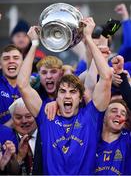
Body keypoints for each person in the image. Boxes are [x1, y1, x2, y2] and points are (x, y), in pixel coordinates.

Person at [17, 17, 112, 174]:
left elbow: (106, 77)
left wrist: (88, 37)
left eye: (73, 91)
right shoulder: (46, 116)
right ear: (57, 97)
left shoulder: (91, 117)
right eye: (62, 91)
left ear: (81, 98)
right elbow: (22, 85)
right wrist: (34, 44)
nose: (67, 95)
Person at [95, 99, 131, 175]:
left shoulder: (128, 140)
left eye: (123, 113)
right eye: (114, 111)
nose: (119, 115)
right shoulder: (90, 140)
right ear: (104, 117)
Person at [9, 97, 43, 175]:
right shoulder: (6, 140)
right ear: (12, 119)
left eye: (28, 116)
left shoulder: (47, 136)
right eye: (18, 117)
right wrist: (19, 157)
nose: (24, 121)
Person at [0, 44, 23, 126]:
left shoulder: (33, 82)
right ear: (0, 64)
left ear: (23, 63)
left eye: (16, 58)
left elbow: (63, 70)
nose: (11, 61)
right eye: (6, 58)